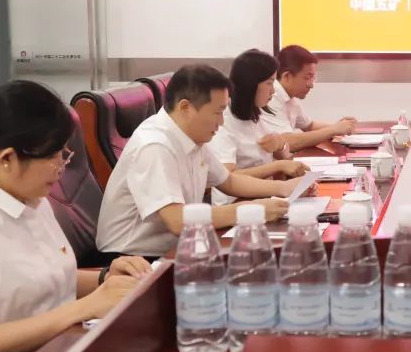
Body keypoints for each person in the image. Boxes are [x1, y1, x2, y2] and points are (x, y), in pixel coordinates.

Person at [0, 81, 150, 352]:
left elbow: (46, 277)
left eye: (65, 154)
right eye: (55, 156)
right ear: (7, 159)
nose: (62, 167)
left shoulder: (31, 199)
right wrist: (85, 307)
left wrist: (106, 278)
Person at [96, 65, 300, 259]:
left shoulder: (191, 134)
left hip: (177, 247)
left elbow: (228, 181)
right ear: (186, 107)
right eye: (217, 112)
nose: (221, 122)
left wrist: (285, 188)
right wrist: (251, 211)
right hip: (131, 258)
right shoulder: (154, 146)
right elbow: (176, 220)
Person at [207, 49, 311, 205]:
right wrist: (278, 166)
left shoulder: (256, 112)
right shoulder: (224, 122)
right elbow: (227, 178)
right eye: (269, 83)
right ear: (250, 83)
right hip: (236, 205)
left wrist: (280, 145)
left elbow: (283, 153)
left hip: (264, 197)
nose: (273, 90)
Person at [258, 45, 358, 150]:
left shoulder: (290, 98)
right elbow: (287, 142)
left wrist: (340, 127)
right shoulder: (271, 97)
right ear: (287, 76)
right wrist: (333, 130)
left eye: (312, 78)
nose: (311, 85)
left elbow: (309, 126)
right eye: (307, 78)